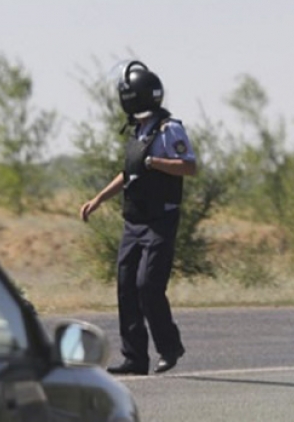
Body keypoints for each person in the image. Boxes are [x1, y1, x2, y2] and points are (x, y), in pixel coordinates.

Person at [80, 60, 197, 375]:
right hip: (135, 221)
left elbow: (189, 166)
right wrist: (98, 199)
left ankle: (169, 348)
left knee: (148, 285)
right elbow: (128, 173)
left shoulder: (169, 128)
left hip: (161, 219)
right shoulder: (139, 130)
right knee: (126, 286)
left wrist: (156, 162)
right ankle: (134, 358)